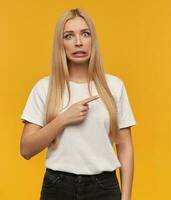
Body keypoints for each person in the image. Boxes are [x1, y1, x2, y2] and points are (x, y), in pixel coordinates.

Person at [19, 8, 137, 200]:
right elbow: (26, 149)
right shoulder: (44, 87)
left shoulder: (114, 86)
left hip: (104, 188)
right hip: (57, 187)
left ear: (93, 41)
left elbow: (125, 146)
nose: (78, 42)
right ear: (61, 44)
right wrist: (63, 119)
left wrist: (126, 197)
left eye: (85, 34)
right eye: (69, 36)